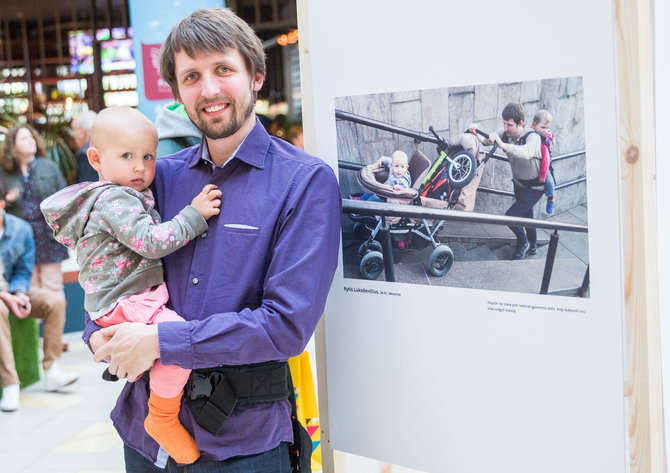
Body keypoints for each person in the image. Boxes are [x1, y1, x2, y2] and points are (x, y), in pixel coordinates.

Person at [84, 8, 340, 472]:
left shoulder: (304, 183)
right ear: (178, 92)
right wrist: (102, 335)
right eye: (191, 76)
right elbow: (106, 263)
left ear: (255, 76)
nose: (209, 89)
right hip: (144, 434)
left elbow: (285, 326)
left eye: (223, 69)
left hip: (243, 440)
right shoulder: (157, 178)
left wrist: (162, 342)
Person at [41, 106, 222, 462]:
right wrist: (194, 215)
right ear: (95, 158)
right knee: (175, 337)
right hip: (126, 301)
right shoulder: (116, 199)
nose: (140, 166)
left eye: (148, 156)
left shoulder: (113, 195)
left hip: (116, 301)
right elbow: (151, 241)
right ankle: (162, 416)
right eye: (127, 156)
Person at [0, 124, 78, 391]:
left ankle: (53, 352)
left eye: (31, 137)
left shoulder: (48, 167)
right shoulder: (5, 171)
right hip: (18, 241)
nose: (30, 142)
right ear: (12, 144)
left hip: (48, 238)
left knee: (54, 291)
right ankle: (32, 352)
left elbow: (64, 200)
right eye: (23, 138)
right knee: (28, 291)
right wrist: (9, 200)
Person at [470, 102, 543, 260]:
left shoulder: (532, 137)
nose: (505, 127)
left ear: (520, 123)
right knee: (527, 215)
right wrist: (476, 133)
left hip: (535, 188)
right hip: (519, 184)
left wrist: (504, 146)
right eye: (504, 123)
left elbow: (527, 152)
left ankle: (523, 243)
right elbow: (487, 139)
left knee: (510, 217)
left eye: (509, 124)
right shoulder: (505, 134)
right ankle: (534, 245)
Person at [530, 109, 556, 214]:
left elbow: (545, 160)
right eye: (543, 127)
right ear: (534, 124)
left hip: (544, 164)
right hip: (533, 163)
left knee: (549, 182)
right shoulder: (530, 132)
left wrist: (543, 175)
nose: (545, 130)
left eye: (547, 128)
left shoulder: (543, 141)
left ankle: (551, 198)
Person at [71, 110, 99, 183]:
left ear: (82, 131)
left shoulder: (86, 156)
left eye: (73, 129)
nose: (72, 134)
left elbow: (87, 189)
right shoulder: (104, 148)